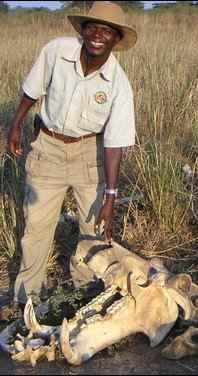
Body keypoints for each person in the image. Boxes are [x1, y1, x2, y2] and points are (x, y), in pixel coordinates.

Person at [7, 1, 137, 311]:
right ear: (83, 29)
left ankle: (84, 294)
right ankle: (27, 301)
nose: (98, 35)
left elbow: (115, 143)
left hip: (88, 154)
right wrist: (15, 126)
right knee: (36, 228)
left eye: (107, 31)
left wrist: (110, 197)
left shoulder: (119, 85)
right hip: (48, 147)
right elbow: (32, 90)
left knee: (91, 231)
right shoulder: (56, 51)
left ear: (116, 40)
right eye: (93, 28)